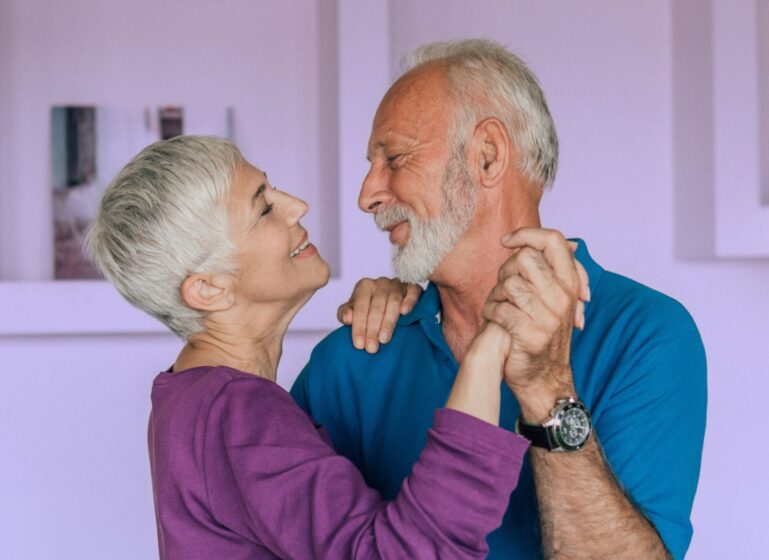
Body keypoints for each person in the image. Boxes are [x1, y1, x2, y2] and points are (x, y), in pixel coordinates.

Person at [292, 39, 707, 559]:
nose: (367, 194)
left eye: (393, 158)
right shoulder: (352, 355)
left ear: (487, 155)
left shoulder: (647, 333)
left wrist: (548, 390)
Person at [85, 135, 535, 559]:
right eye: (263, 209)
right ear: (208, 289)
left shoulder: (191, 399)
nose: (298, 206)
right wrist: (488, 342)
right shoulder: (235, 411)